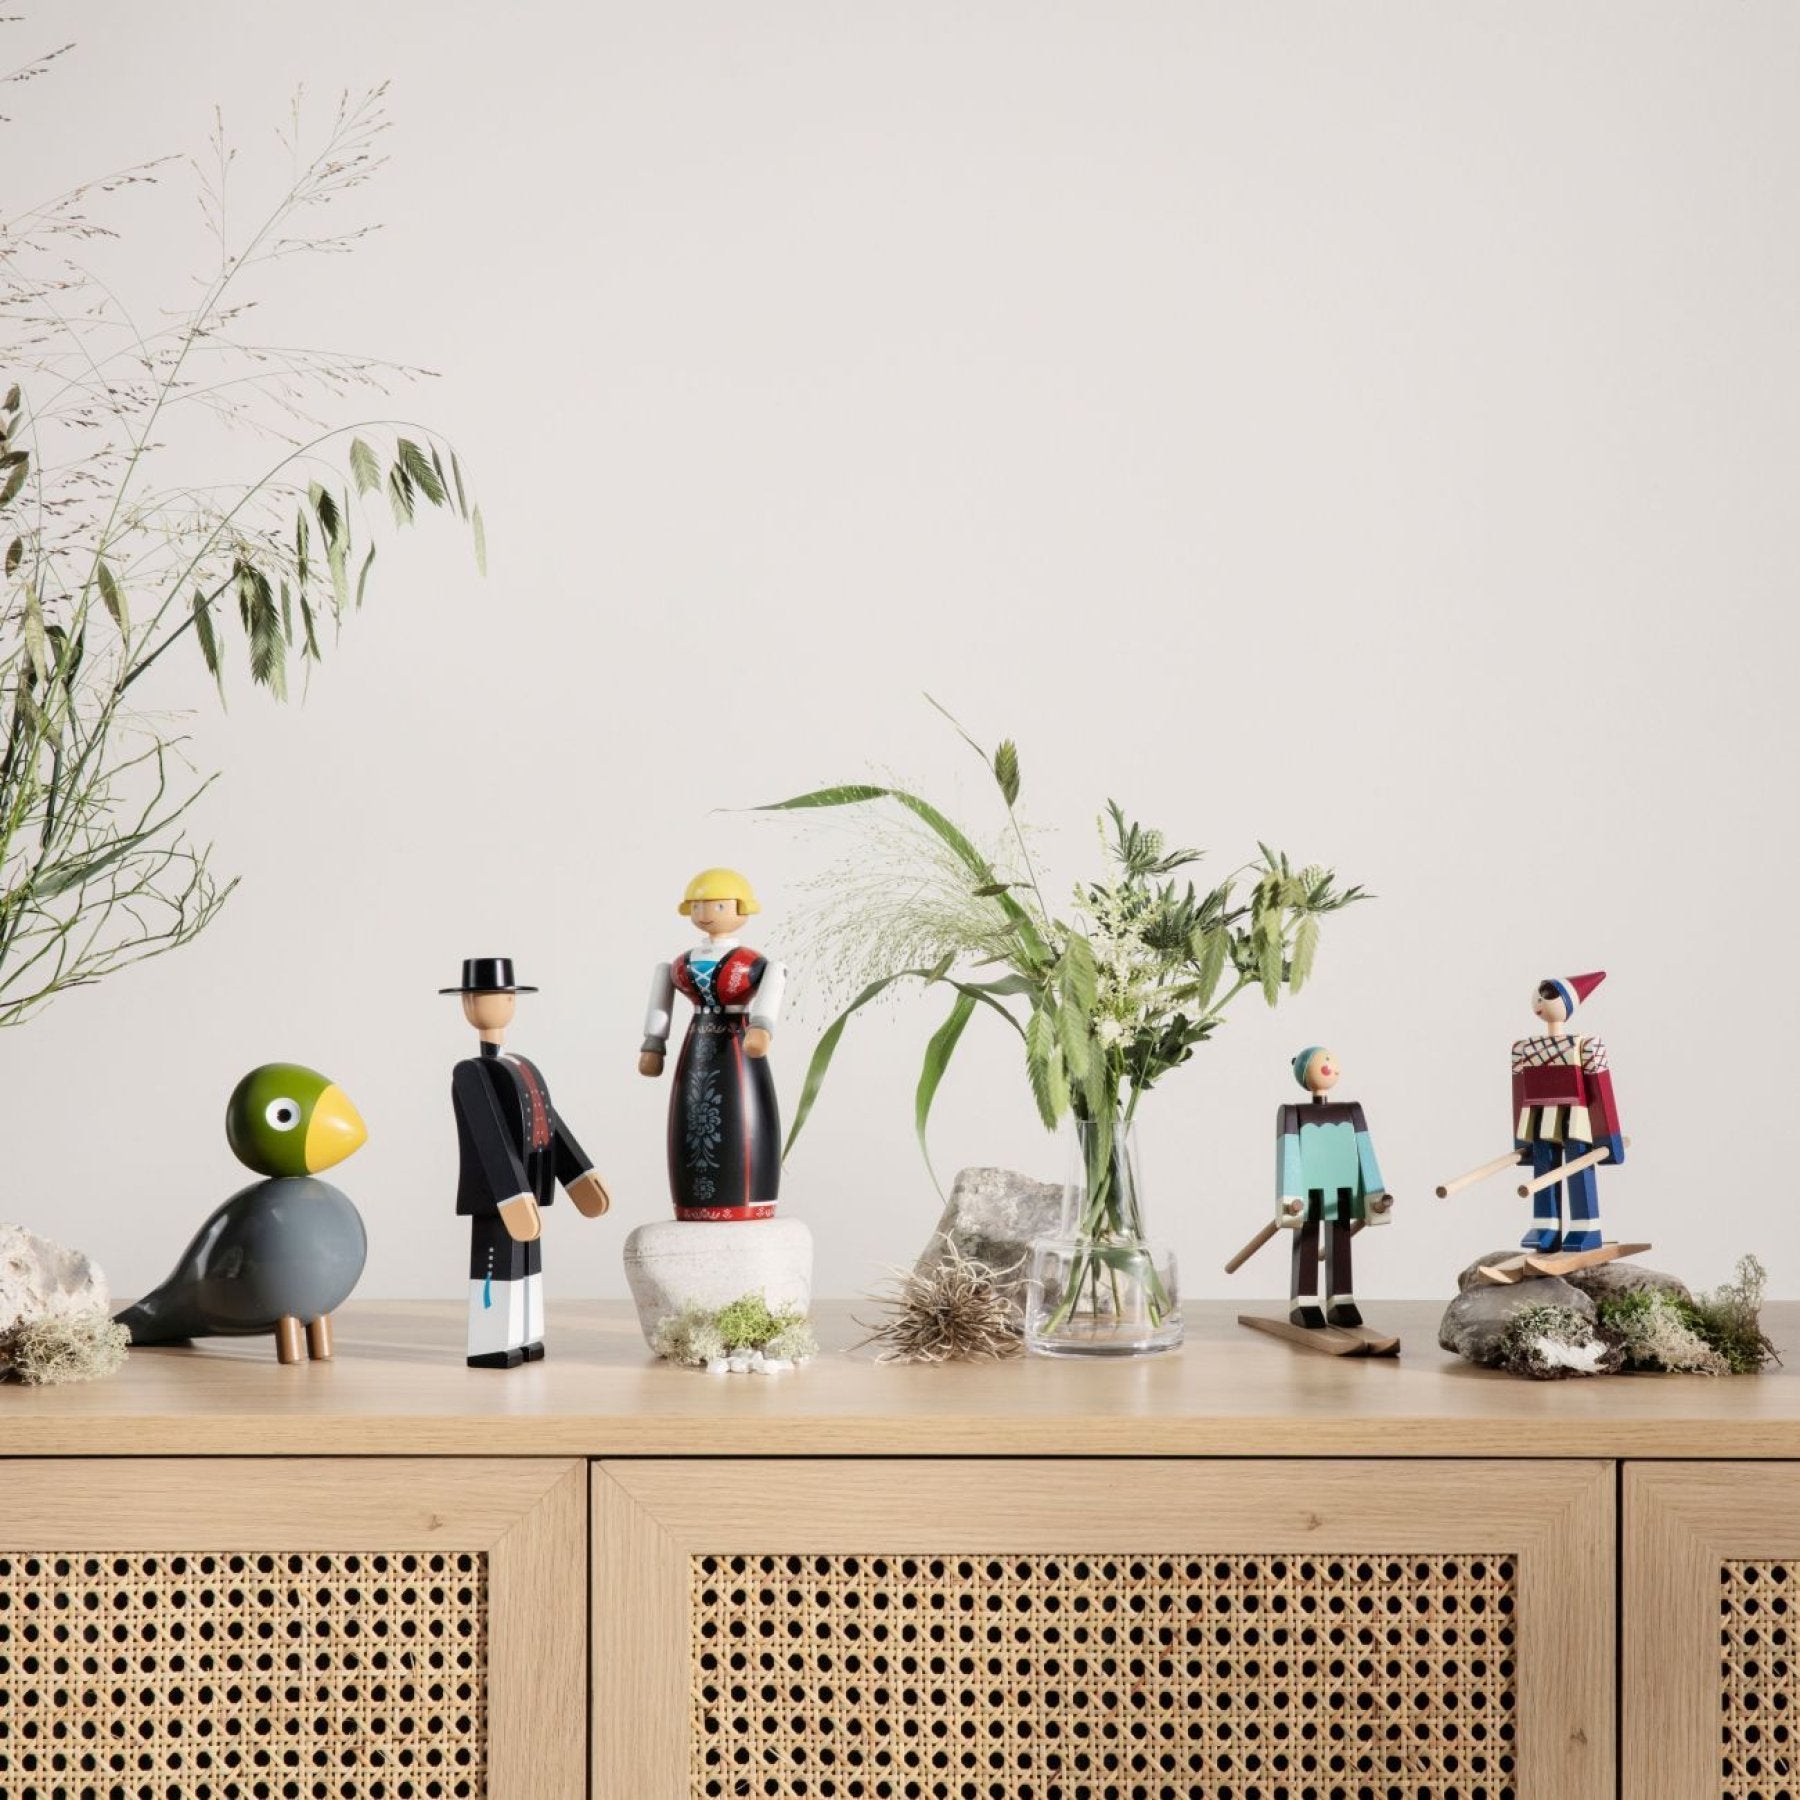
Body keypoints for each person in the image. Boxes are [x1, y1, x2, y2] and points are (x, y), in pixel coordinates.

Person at [444, 957, 610, 1367]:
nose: (497, 1004)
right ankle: (491, 1345)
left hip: (528, 1188)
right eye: (485, 997)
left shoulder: (521, 1066)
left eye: (504, 997)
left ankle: (527, 1337)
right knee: (497, 1268)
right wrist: (512, 1194)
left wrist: (580, 1176)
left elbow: (548, 1122)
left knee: (529, 1269)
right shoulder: (470, 1072)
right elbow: (490, 1137)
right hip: (498, 1194)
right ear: (467, 1005)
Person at [639, 869, 785, 1220]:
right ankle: (696, 1204)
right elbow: (661, 994)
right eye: (698, 906)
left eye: (718, 905)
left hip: (739, 1042)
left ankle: (747, 1201)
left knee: (740, 1117)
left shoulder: (753, 963)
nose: (706, 913)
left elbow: (774, 981)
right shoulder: (681, 964)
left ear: (741, 909)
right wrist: (653, 1043)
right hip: (698, 1041)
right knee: (694, 1117)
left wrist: (762, 1027)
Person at [1276, 1046, 1392, 1328]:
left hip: (1343, 1195)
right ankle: (1303, 1303)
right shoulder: (1292, 1113)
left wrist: (1375, 1192)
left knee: (1341, 1246)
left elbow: (1365, 1152)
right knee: (1307, 1244)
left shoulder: (1352, 1112)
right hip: (1308, 1197)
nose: (1329, 1066)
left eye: (1330, 1061)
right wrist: (1289, 1198)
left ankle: (1341, 1301)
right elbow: (1288, 1156)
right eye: (1322, 1062)